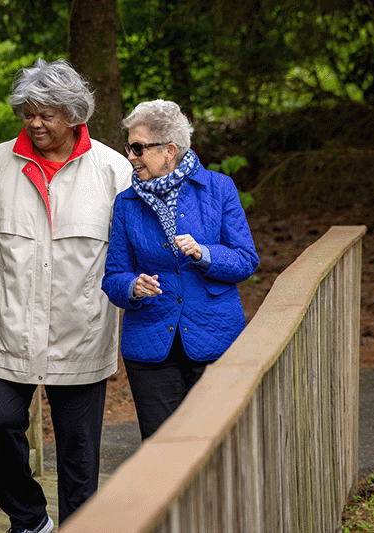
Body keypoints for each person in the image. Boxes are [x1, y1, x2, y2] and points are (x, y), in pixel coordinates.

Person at [0, 58, 131, 532]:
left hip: (81, 328)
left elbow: (132, 246)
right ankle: (29, 520)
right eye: (28, 112)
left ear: (73, 115)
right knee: (2, 427)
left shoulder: (111, 169)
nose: (36, 123)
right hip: (13, 327)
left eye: (47, 114)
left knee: (78, 447)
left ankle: (80, 525)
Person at [101, 99, 259, 441]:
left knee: (216, 445)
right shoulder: (127, 203)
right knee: (160, 448)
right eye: (129, 146)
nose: (131, 156)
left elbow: (246, 260)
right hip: (149, 345)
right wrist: (132, 286)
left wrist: (205, 254)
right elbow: (113, 276)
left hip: (215, 339)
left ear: (169, 150)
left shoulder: (219, 189)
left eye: (139, 148)